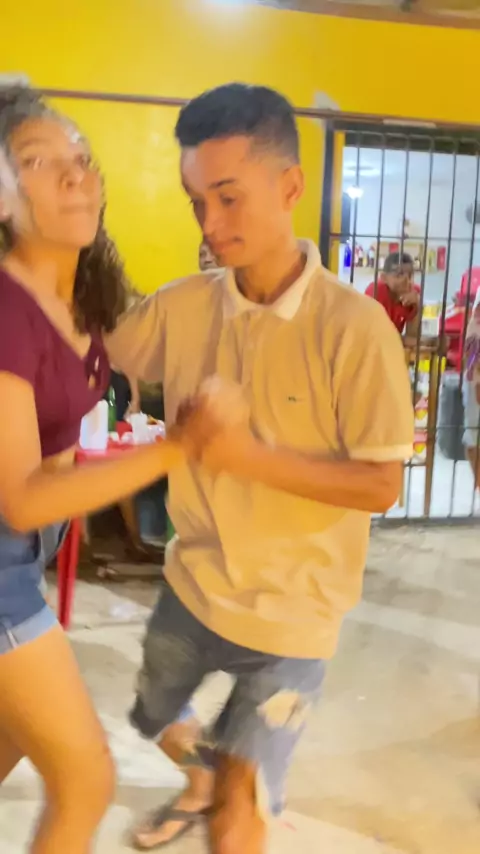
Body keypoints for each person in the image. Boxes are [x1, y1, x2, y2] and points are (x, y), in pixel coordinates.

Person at [107, 83, 414, 854]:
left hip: (294, 615)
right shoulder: (181, 306)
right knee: (153, 712)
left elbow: (382, 483)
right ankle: (200, 778)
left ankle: (229, 787)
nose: (210, 224)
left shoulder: (356, 328)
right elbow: (87, 352)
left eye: (229, 197)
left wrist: (249, 457)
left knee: (240, 809)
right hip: (193, 583)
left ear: (291, 187)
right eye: (196, 202)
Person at [0, 87, 192, 854]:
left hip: (24, 558)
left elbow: (53, 465)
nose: (73, 173)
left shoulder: (80, 301)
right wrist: (177, 448)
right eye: (36, 161)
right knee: (86, 779)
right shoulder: (7, 311)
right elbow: (23, 499)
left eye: (79, 157)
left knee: (11, 743)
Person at [365, 251, 420, 338]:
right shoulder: (376, 290)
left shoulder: (413, 292)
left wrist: (418, 306)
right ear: (384, 278)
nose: (407, 281)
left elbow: (412, 336)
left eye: (410, 276)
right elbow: (371, 334)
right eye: (399, 275)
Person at [463, 287, 480, 492]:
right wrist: (476, 382)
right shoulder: (476, 322)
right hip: (475, 380)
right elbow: (472, 357)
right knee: (473, 432)